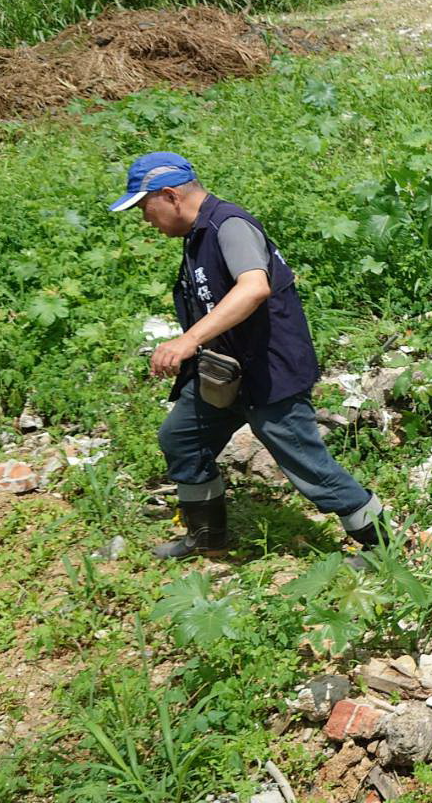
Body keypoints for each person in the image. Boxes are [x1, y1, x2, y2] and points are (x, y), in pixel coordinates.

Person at [111, 151, 390, 563]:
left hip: (268, 373)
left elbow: (253, 287)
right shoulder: (197, 233)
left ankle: (382, 545)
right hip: (223, 373)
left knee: (306, 464)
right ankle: (206, 536)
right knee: (182, 438)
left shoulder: (229, 225)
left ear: (169, 196)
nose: (144, 219)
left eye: (143, 207)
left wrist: (188, 340)